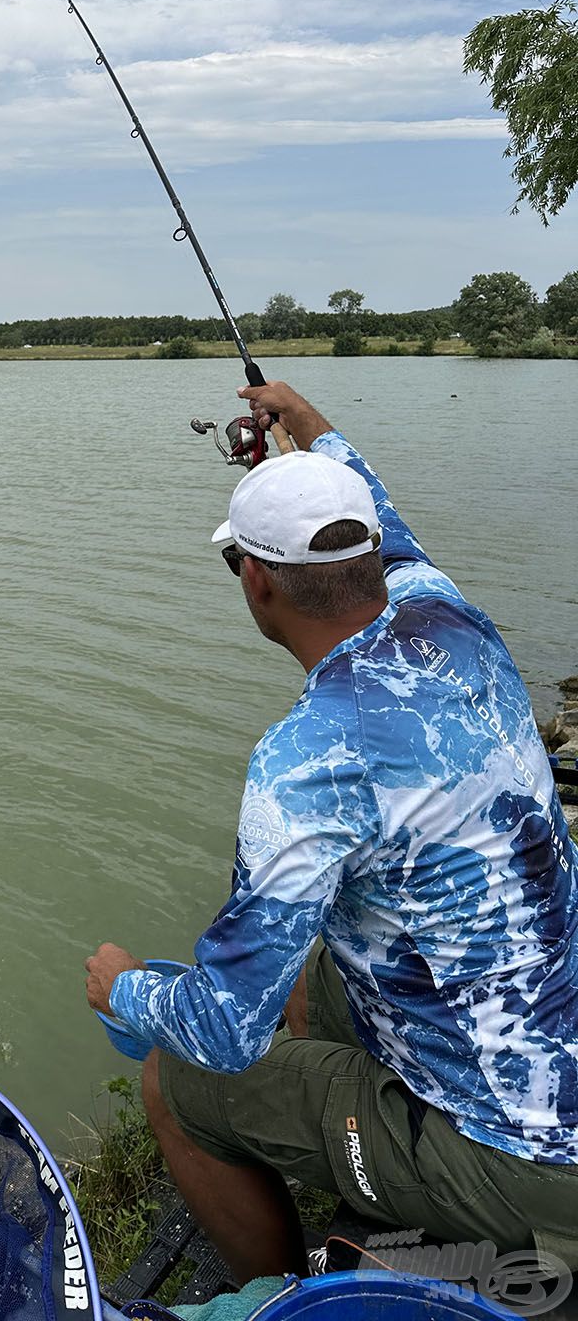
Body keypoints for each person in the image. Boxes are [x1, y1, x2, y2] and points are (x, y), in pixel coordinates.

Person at [85, 381, 578, 1285]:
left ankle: (273, 1296)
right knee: (315, 968)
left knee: (175, 1080)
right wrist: (304, 421)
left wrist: (123, 990)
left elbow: (226, 1028)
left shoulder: (304, 764)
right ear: (373, 554)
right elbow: (374, 508)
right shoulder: (449, 612)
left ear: (256, 579)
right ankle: (349, 1150)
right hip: (550, 1030)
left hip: (527, 1159)